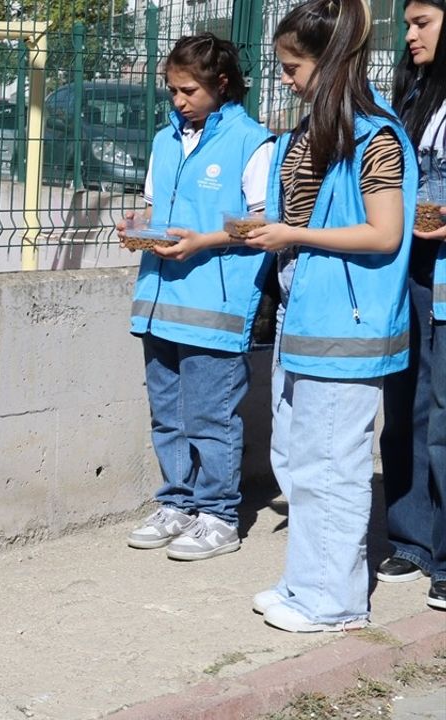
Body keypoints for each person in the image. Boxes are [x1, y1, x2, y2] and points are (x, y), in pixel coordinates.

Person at [245, 0, 417, 632]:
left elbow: (384, 233)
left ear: (332, 59)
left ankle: (337, 603)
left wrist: (293, 231)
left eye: (294, 67)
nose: (286, 79)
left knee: (333, 463)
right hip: (303, 314)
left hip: (348, 325)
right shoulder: (312, 130)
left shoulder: (376, 136)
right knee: (297, 458)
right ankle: (306, 582)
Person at [115, 34, 275, 562]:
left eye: (188, 90)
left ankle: (219, 514)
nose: (178, 100)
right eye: (172, 90)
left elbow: (264, 223)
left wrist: (204, 241)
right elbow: (155, 207)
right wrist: (137, 227)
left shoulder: (253, 142)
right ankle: (177, 503)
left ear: (221, 84)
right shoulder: (165, 140)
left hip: (217, 307)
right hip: (159, 300)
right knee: (167, 413)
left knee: (211, 415)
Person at [379, 0, 446, 611]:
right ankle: (410, 537)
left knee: (444, 412)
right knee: (405, 402)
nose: (409, 35)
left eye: (421, 22)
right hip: (410, 269)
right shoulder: (411, 93)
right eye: (406, 23)